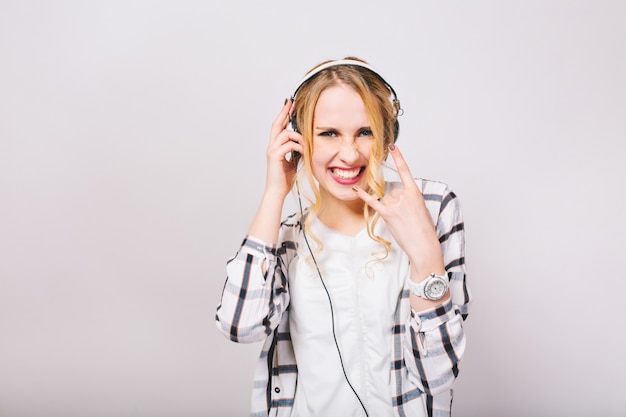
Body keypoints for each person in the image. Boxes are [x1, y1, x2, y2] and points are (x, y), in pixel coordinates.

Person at [215, 57, 471, 417]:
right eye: (328, 133)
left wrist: (425, 255)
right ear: (299, 139)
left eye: (365, 132)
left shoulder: (430, 208)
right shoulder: (286, 237)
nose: (349, 154)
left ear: (386, 137)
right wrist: (275, 190)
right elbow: (240, 325)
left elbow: (437, 376)